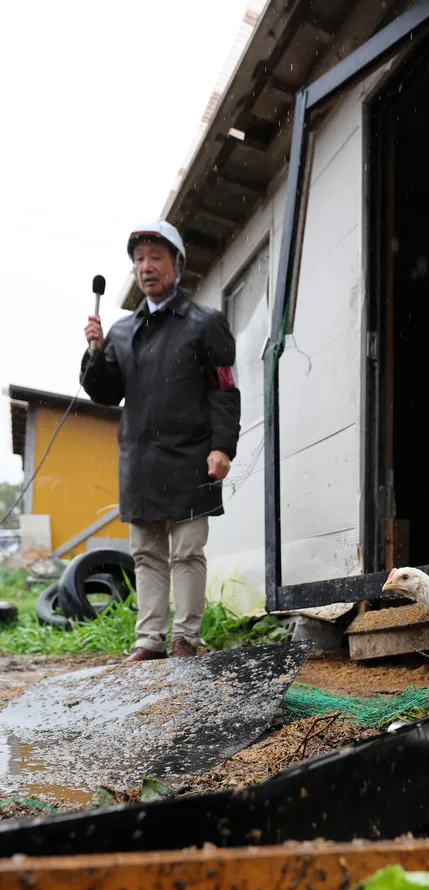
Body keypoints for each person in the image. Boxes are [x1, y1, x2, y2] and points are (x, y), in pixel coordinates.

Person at [81, 220, 241, 661]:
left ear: (177, 263)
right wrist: (94, 353)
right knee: (147, 554)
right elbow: (107, 391)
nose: (146, 267)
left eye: (155, 257)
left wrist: (222, 446)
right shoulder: (120, 332)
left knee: (188, 551)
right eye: (138, 260)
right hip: (140, 458)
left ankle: (186, 639)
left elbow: (224, 389)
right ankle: (149, 641)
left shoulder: (206, 324)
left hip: (194, 455)